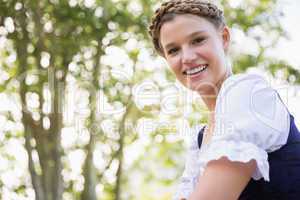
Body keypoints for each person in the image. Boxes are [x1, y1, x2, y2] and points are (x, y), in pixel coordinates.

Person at [148, 0, 300, 199]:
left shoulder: (246, 93)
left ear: (224, 38)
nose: (187, 57)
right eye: (174, 50)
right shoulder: (200, 139)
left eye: (198, 40)